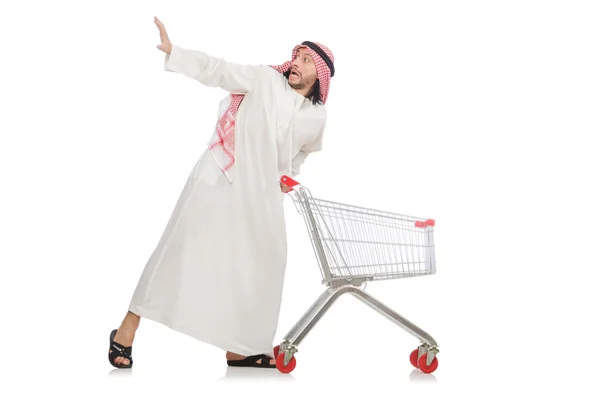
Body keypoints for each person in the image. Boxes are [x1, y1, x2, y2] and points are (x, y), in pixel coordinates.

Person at [108, 16, 335, 369]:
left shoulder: (316, 118)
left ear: (319, 76)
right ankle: (126, 329)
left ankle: (243, 347)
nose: (296, 63)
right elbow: (219, 69)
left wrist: (287, 173)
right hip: (221, 176)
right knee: (179, 250)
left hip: (262, 196)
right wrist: (175, 52)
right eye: (298, 55)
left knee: (267, 263)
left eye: (307, 60)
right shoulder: (264, 80)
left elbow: (305, 150)